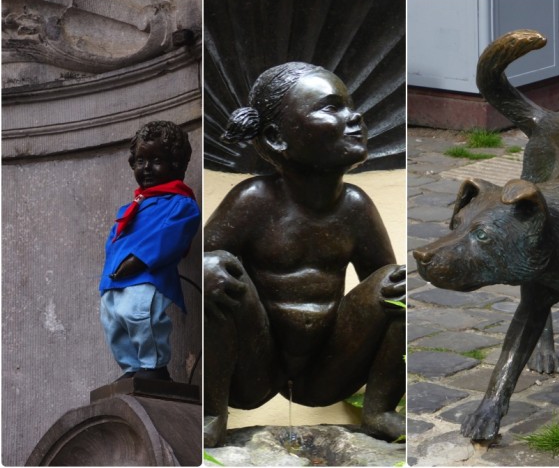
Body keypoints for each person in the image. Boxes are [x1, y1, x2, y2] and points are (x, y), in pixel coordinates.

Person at [204, 62, 406, 446]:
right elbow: (191, 273)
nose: (355, 117)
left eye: (350, 105)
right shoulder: (253, 201)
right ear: (277, 137)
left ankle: (379, 410)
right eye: (331, 107)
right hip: (256, 366)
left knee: (398, 286)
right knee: (214, 267)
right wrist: (206, 269)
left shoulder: (355, 207)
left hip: (328, 368)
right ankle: (211, 412)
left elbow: (380, 289)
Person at [99, 121, 200, 382]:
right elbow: (115, 240)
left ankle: (154, 366)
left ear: (176, 164)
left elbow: (168, 238)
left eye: (156, 160)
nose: (146, 168)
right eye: (141, 160)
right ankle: (131, 367)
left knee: (140, 316)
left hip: (147, 274)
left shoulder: (181, 204)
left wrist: (137, 260)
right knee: (113, 321)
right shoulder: (129, 208)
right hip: (115, 278)